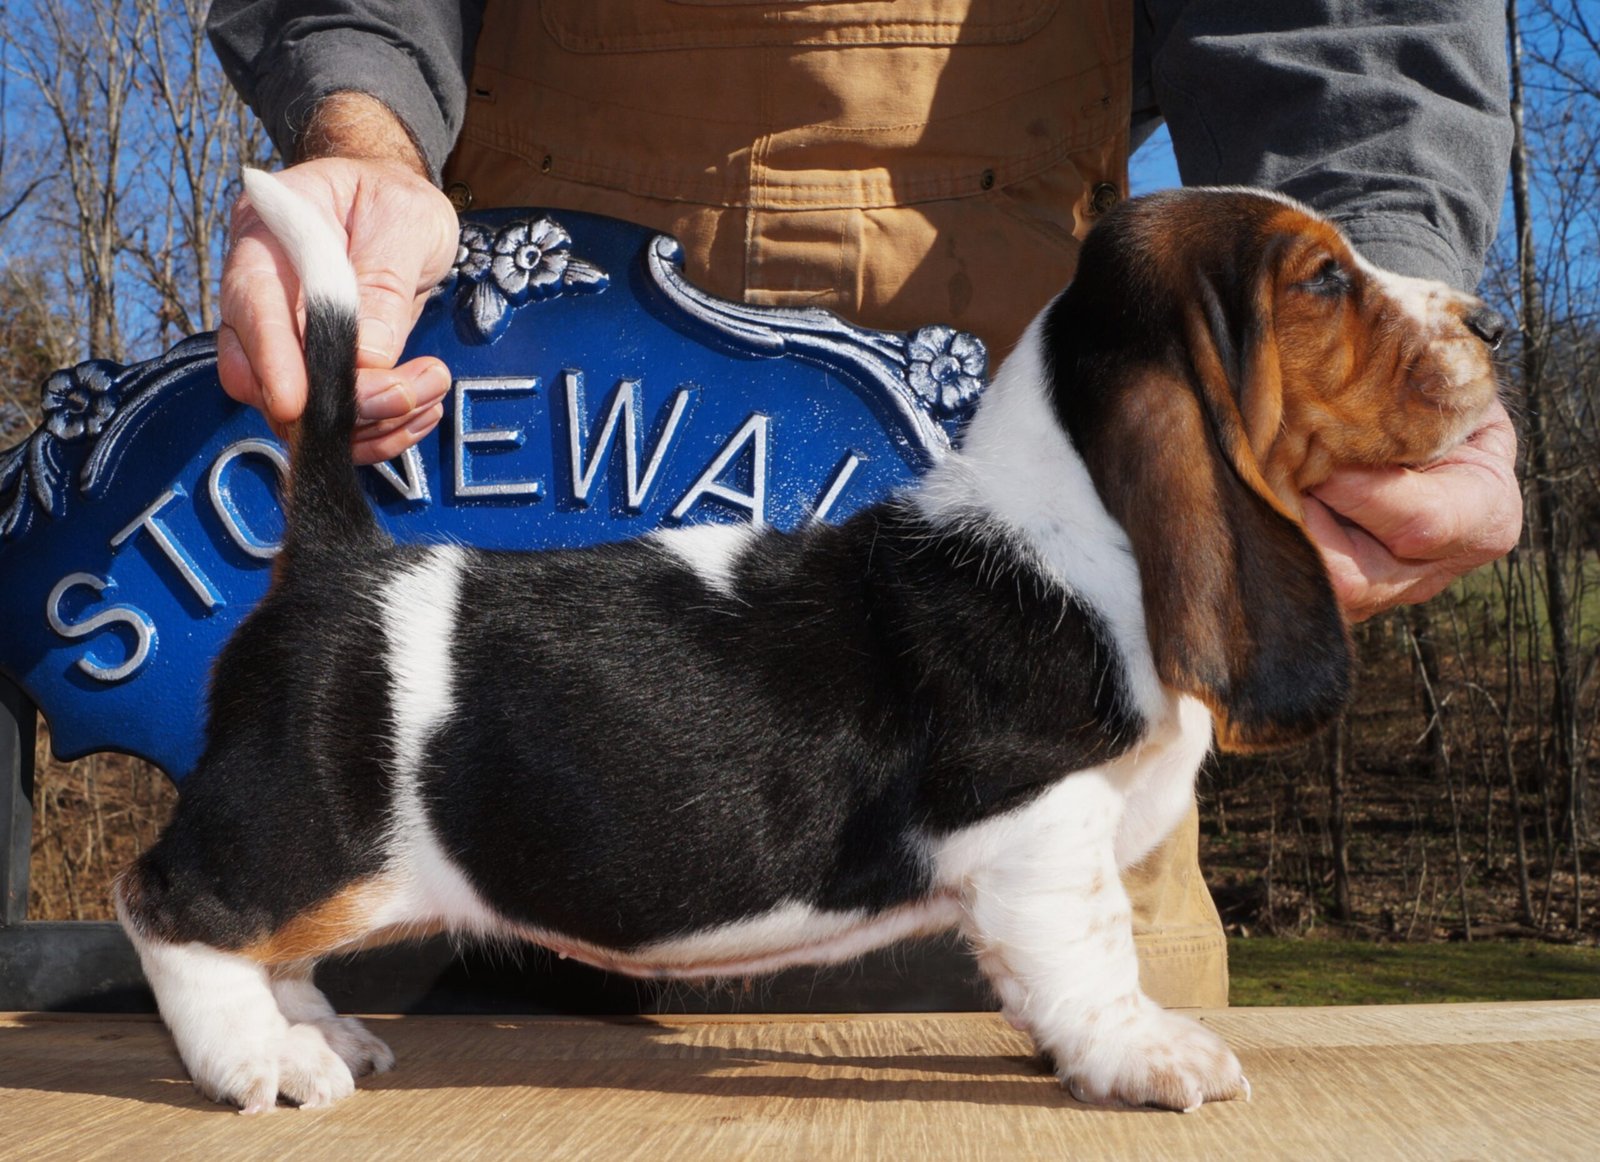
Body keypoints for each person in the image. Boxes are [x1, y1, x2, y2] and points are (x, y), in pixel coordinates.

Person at [203, 0, 1522, 1009]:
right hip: (520, 529)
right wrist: (359, 122)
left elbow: (1347, 26)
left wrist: (1369, 325)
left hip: (1037, 496)